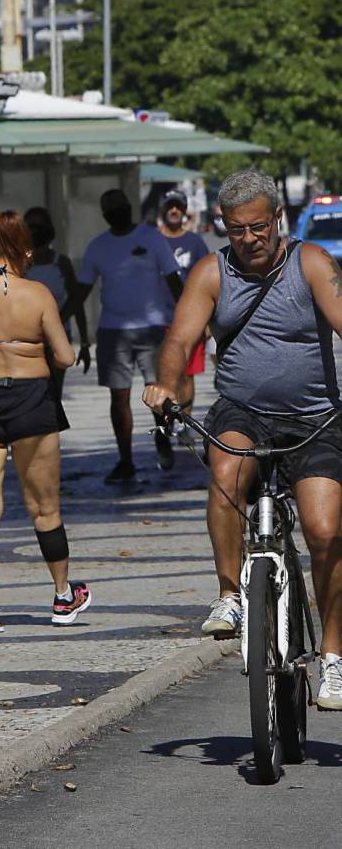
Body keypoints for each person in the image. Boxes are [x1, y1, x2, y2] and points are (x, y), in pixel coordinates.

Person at [143, 170, 342, 711]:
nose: (248, 239)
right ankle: (231, 594)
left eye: (257, 227)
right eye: (236, 230)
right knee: (226, 476)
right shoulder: (213, 272)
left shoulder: (312, 264)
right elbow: (180, 339)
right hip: (243, 411)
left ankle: (333, 655)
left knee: (324, 531)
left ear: (277, 218)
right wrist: (166, 385)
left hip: (315, 417)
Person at [0, 210, 91, 635]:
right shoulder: (37, 293)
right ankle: (63, 597)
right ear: (26, 251)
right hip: (32, 400)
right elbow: (65, 356)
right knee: (44, 508)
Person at [62, 188, 182, 483]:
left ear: (130, 208)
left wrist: (191, 318)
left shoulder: (152, 238)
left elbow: (174, 279)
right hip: (113, 332)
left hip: (152, 328)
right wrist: (57, 319)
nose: (118, 212)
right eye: (112, 208)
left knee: (158, 392)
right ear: (105, 215)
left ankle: (163, 438)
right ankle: (125, 459)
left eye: (122, 206)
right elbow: (81, 291)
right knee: (119, 398)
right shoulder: (97, 247)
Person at [24, 206, 90, 396]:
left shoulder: (61, 263)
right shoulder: (18, 264)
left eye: (39, 226)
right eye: (30, 226)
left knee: (52, 394)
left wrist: (84, 342)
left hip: (57, 337)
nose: (35, 230)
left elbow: (76, 301)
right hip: (26, 339)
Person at [157, 190, 210, 418]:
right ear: (163, 210)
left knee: (187, 375)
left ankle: (186, 422)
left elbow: (209, 280)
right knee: (163, 376)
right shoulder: (153, 240)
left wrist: (208, 321)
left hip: (190, 319)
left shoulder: (195, 242)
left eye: (178, 206)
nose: (174, 210)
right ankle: (167, 422)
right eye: (170, 206)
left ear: (185, 210)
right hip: (158, 320)